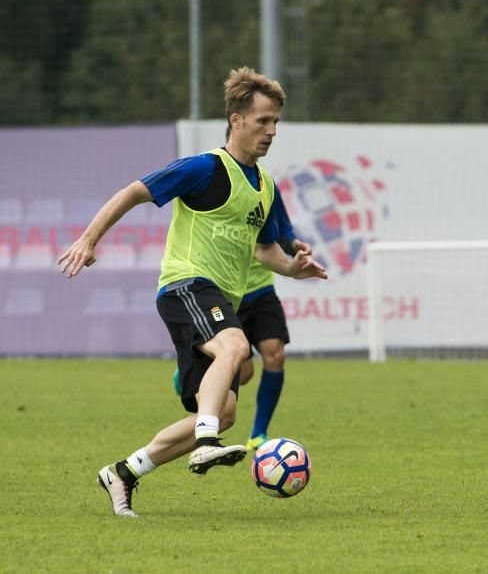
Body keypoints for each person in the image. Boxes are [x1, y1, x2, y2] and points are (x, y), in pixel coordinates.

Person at [58, 67, 328, 518]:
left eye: (276, 122)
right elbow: (134, 192)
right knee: (237, 348)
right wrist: (89, 239)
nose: (272, 131)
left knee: (224, 412)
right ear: (236, 119)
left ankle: (124, 472)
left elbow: (266, 252)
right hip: (185, 285)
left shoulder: (264, 186)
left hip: (221, 299)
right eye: (263, 120)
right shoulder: (204, 167)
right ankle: (205, 443)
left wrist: (294, 269)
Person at [173, 185, 305, 450]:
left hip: (263, 290)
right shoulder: (218, 188)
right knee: (242, 371)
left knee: (275, 354)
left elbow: (284, 228)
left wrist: (293, 245)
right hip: (229, 293)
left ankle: (258, 434)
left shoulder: (266, 187)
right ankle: (191, 372)